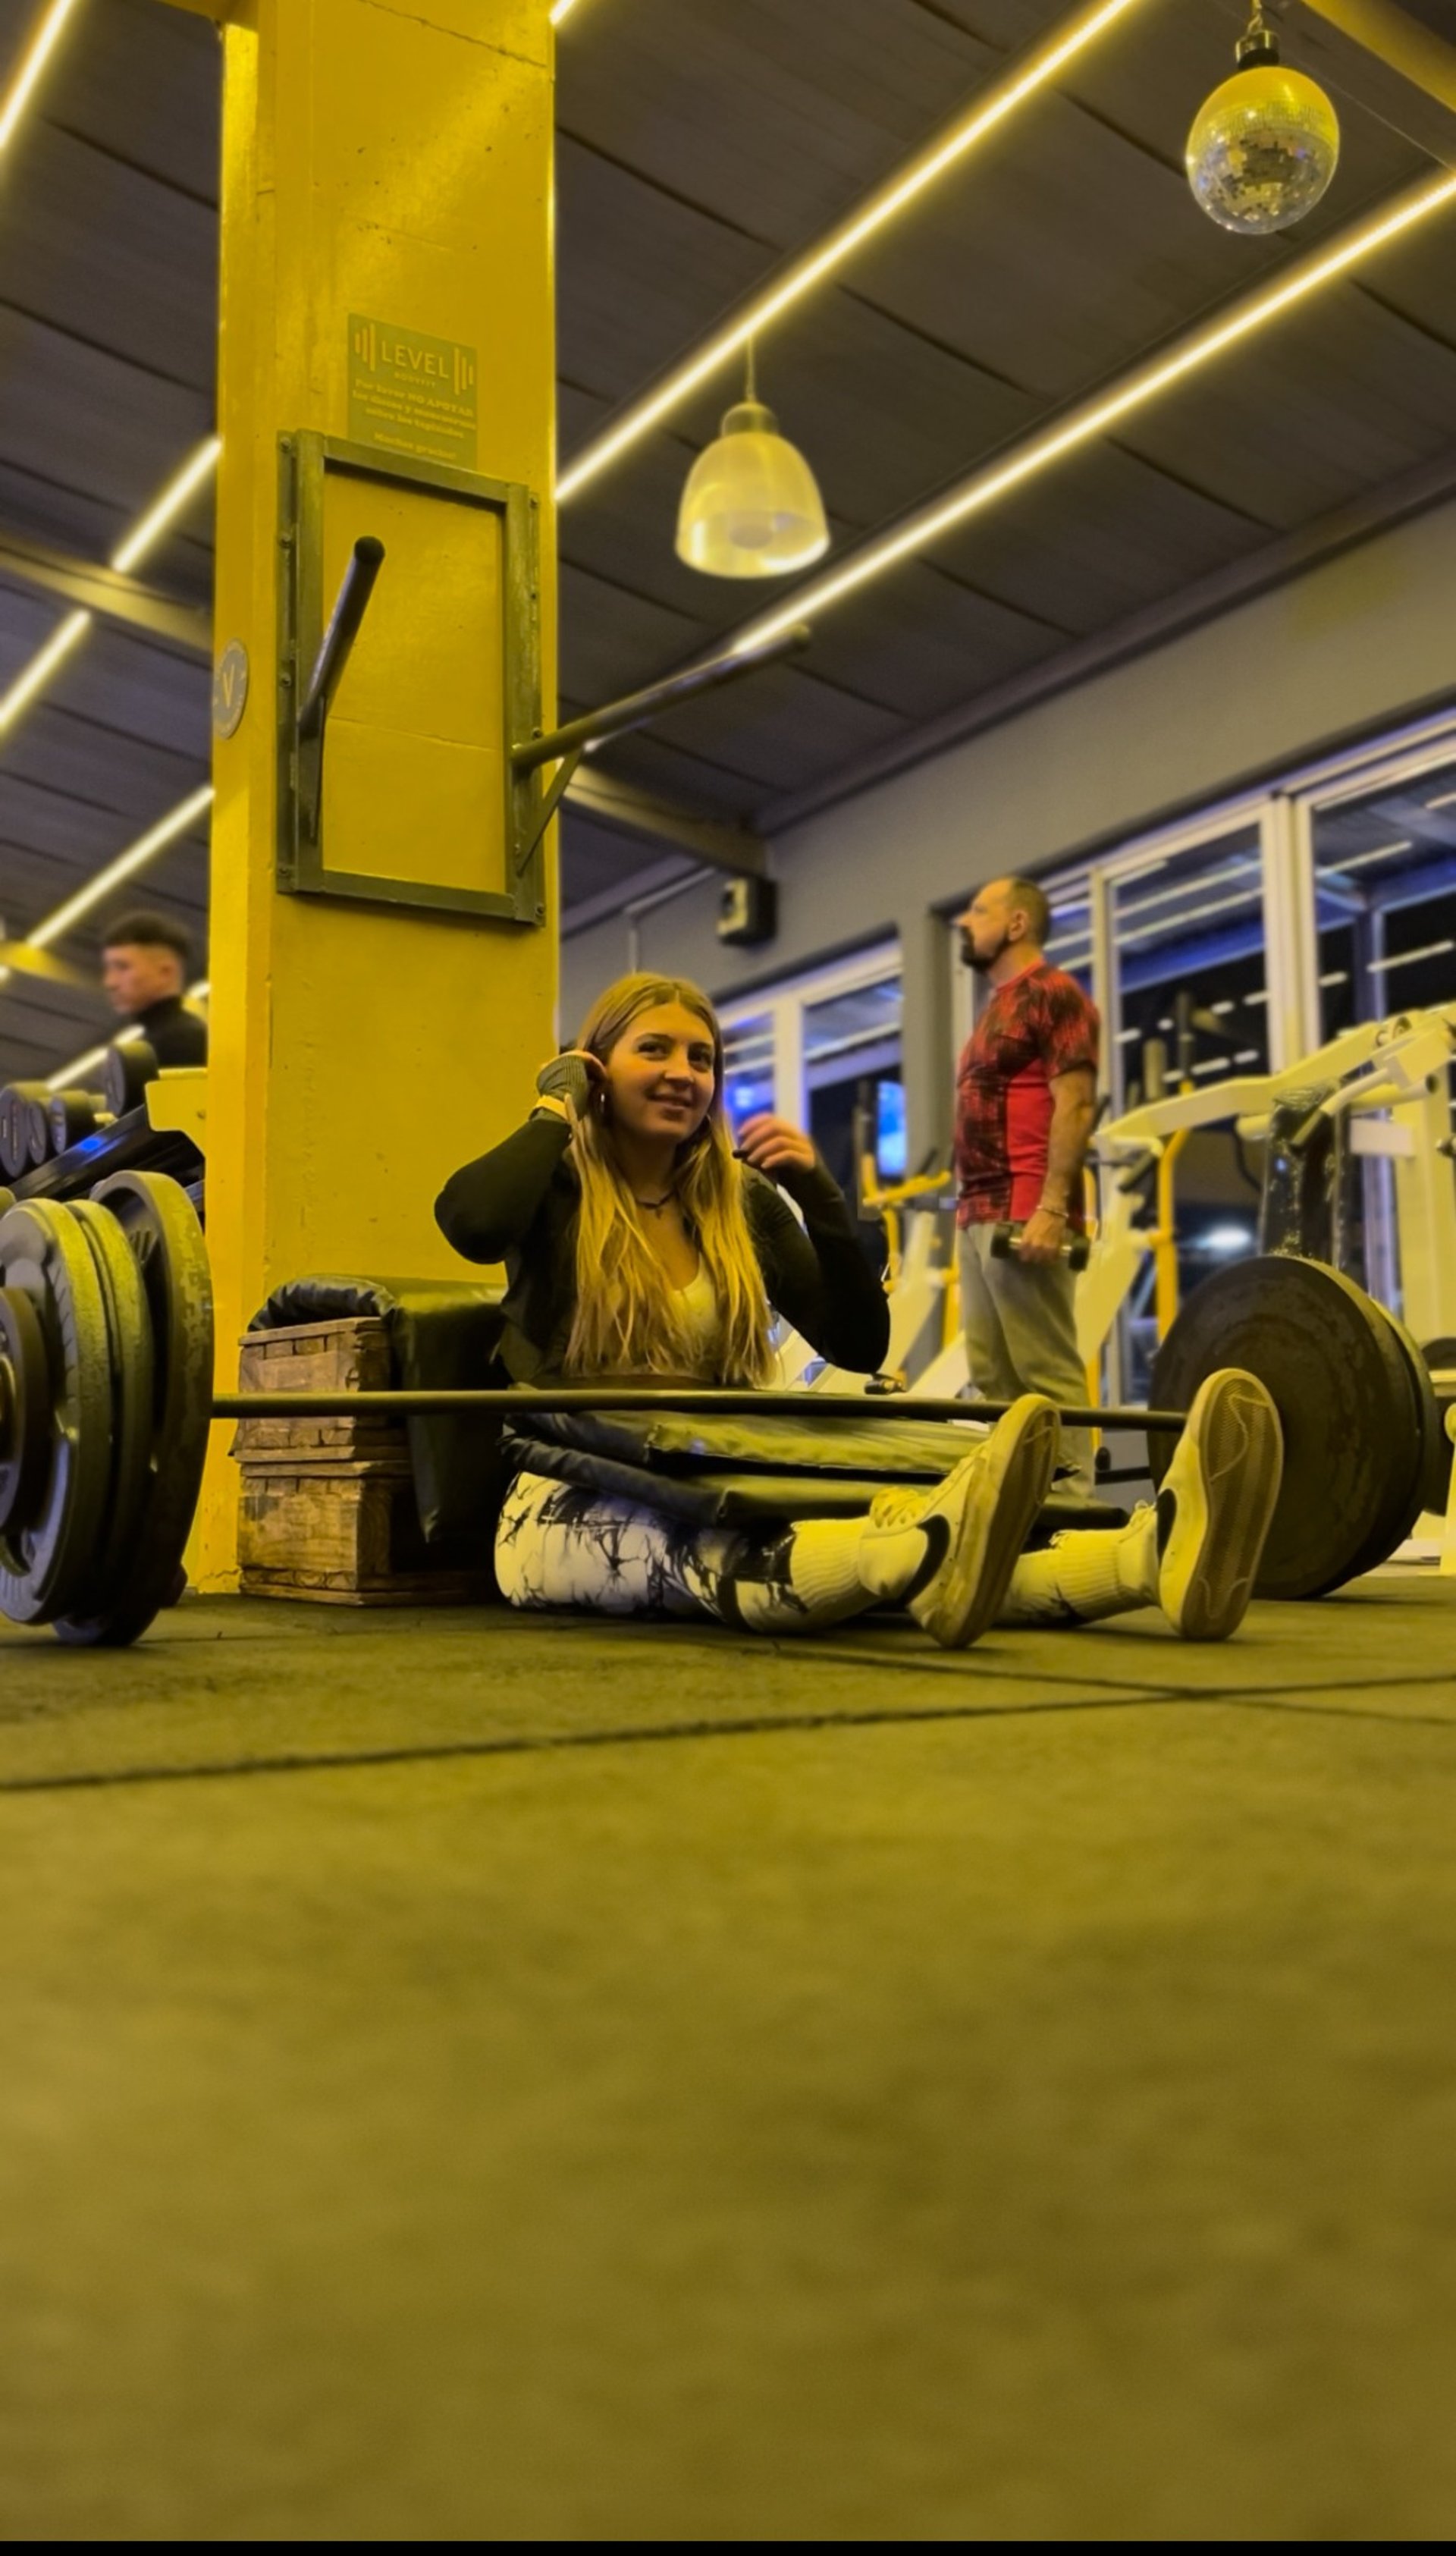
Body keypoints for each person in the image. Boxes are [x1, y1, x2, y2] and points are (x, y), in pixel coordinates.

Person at [436, 972, 1283, 1650]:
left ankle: (1150, 1555)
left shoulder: (742, 1204)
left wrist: (822, 1196)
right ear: (597, 1068)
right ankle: (933, 1541)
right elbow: (471, 1223)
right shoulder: (557, 1188)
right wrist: (555, 1104)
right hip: (569, 1497)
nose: (681, 1073)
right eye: (652, 1049)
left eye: (701, 1059)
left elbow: (857, 1338)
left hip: (720, 1472)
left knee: (917, 1558)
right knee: (753, 1558)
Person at [954, 875, 1099, 1490]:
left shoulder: (1054, 993)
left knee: (1046, 1371)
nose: (965, 920)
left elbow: (1076, 1104)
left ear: (1016, 924)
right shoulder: (996, 1007)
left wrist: (1050, 1208)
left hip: (1024, 1208)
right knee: (993, 1378)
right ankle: (1018, 1504)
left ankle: (1073, 1507)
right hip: (976, 1209)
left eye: (978, 909)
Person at [101, 910, 208, 1066]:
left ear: (166, 972)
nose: (110, 982)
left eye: (122, 967)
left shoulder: (182, 1042)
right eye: (109, 969)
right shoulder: (155, 1042)